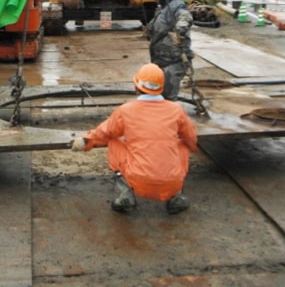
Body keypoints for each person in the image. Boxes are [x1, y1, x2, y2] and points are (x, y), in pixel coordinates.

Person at [71, 63, 198, 213]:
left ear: (136, 86)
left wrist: (86, 141)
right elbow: (191, 138)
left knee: (113, 140)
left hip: (138, 182)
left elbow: (104, 133)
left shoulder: (126, 110)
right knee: (183, 144)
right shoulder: (176, 110)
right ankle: (176, 198)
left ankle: (126, 196)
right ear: (161, 87)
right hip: (172, 182)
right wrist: (191, 146)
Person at [144, 0, 194, 101]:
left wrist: (180, 31)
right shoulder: (164, 7)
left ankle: (168, 120)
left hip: (173, 62)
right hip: (162, 61)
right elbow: (161, 24)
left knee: (167, 100)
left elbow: (185, 17)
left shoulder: (176, 5)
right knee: (159, 97)